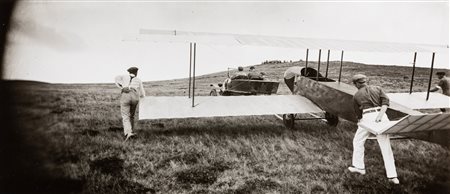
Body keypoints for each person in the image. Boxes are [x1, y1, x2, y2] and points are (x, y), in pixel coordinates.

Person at [348, 74, 399, 185]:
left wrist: (360, 121)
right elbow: (385, 103)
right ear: (365, 81)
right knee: (385, 145)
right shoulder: (378, 88)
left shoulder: (356, 95)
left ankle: (359, 167)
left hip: (367, 117)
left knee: (358, 141)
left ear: (356, 83)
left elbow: (358, 114)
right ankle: (393, 176)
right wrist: (380, 116)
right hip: (382, 116)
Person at [115, 67, 146, 141]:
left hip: (125, 95)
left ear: (129, 72)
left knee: (125, 116)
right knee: (131, 115)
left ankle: (128, 133)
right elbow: (142, 93)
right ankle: (131, 131)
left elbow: (116, 78)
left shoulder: (124, 77)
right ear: (136, 72)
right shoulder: (138, 80)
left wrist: (122, 88)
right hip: (135, 96)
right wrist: (142, 97)